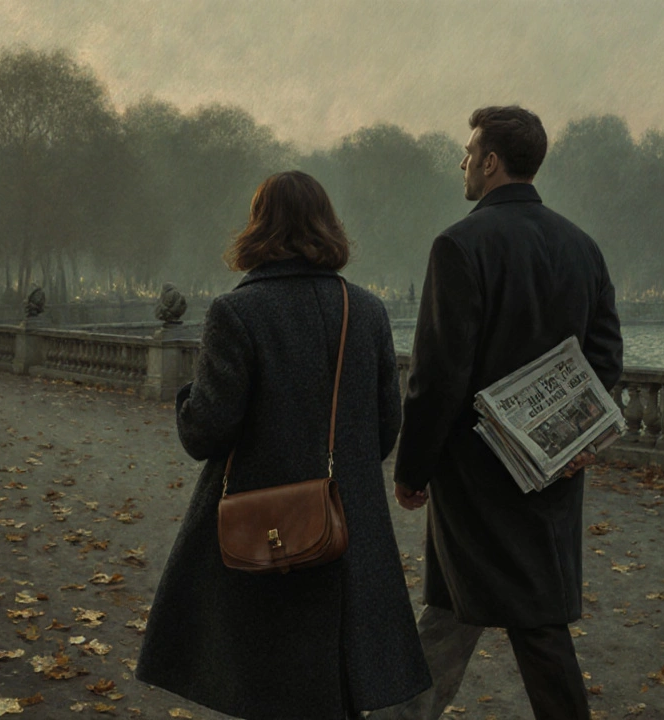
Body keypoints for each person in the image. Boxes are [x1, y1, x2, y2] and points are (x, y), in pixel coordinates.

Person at [136, 171, 431, 720]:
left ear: (258, 227)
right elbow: (386, 428)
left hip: (264, 534)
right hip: (347, 532)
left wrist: (185, 398)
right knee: (337, 689)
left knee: (267, 685)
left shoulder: (237, 313)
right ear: (326, 226)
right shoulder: (364, 311)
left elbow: (205, 432)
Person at [378, 106, 623, 720]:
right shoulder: (581, 246)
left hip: (477, 473)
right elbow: (604, 360)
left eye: (468, 152)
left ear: (490, 163)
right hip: (551, 473)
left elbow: (438, 377)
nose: (462, 163)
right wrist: (571, 444)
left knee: (493, 612)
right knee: (485, 608)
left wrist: (413, 467)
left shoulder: (461, 244)